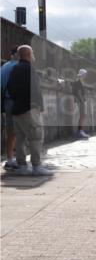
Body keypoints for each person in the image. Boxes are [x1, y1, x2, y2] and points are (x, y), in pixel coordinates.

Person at [6, 45, 51, 176]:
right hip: (29, 108)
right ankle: (36, 166)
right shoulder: (30, 69)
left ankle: (22, 166)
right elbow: (36, 89)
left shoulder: (14, 69)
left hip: (16, 109)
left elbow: (10, 89)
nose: (34, 56)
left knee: (20, 139)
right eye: (32, 53)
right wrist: (40, 105)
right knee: (35, 137)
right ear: (28, 54)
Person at [2, 48, 19, 170]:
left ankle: (13, 158)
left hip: (16, 101)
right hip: (12, 101)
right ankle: (10, 159)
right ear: (12, 55)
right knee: (12, 131)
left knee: (16, 131)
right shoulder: (8, 66)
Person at [72, 69, 89, 139]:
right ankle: (80, 132)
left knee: (83, 115)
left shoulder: (81, 82)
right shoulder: (77, 82)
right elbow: (78, 93)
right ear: (82, 75)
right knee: (83, 115)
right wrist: (82, 102)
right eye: (85, 74)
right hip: (80, 101)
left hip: (81, 101)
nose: (86, 76)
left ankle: (80, 131)